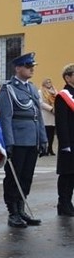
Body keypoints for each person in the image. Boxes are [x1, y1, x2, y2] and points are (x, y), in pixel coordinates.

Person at [0, 52, 47, 228]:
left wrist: (43, 138)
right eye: (28, 66)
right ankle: (13, 212)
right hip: (17, 140)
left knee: (26, 176)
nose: (31, 69)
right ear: (18, 68)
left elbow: (37, 115)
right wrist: (8, 142)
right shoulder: (8, 89)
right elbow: (6, 118)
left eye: (32, 66)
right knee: (14, 177)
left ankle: (21, 207)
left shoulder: (32, 88)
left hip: (31, 139)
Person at [54, 63, 74, 216]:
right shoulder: (63, 96)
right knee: (67, 173)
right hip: (70, 141)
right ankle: (64, 203)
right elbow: (61, 122)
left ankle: (69, 202)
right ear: (68, 77)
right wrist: (65, 144)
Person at [40, 78, 57, 156]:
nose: (49, 83)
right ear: (44, 84)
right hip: (46, 114)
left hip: (53, 116)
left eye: (50, 82)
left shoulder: (55, 92)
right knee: (45, 134)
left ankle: (50, 148)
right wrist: (51, 109)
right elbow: (41, 103)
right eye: (47, 82)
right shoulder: (41, 92)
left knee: (51, 134)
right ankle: (44, 149)